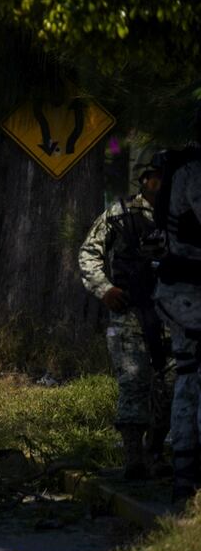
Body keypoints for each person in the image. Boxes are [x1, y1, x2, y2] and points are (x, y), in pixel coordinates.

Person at [78, 149, 172, 480]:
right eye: (153, 176)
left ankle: (156, 452)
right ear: (144, 179)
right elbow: (89, 253)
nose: (158, 182)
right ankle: (134, 457)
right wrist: (104, 288)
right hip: (130, 312)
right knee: (134, 383)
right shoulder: (119, 214)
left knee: (170, 385)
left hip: (175, 315)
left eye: (163, 175)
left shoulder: (182, 212)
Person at [153, 140, 201, 502]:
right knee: (191, 376)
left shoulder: (183, 167)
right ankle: (188, 474)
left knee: (187, 375)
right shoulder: (194, 171)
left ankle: (185, 472)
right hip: (191, 293)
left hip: (182, 291)